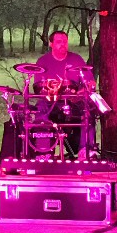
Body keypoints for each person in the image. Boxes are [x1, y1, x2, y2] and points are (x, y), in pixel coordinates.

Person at [34, 30, 96, 159]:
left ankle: (85, 150)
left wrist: (81, 92)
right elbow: (39, 88)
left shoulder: (77, 59)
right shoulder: (43, 61)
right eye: (59, 42)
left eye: (65, 41)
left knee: (88, 110)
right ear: (51, 44)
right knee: (40, 108)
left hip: (73, 101)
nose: (63, 44)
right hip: (51, 101)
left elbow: (89, 83)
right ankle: (44, 151)